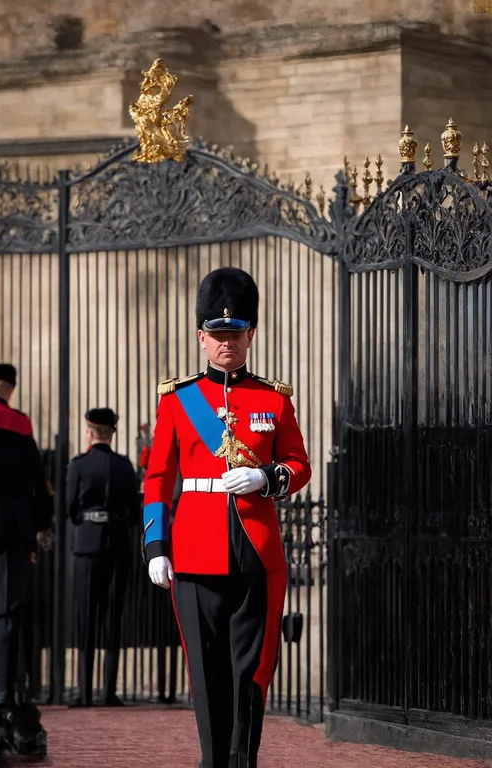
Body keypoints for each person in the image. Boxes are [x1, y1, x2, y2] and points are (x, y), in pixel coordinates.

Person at [143, 267, 311, 768]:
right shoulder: (177, 400)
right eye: (217, 335)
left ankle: (243, 762)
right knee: (206, 670)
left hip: (254, 553)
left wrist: (266, 477)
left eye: (235, 334)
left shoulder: (273, 398)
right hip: (193, 555)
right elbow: (157, 478)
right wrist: (156, 546)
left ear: (250, 335)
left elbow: (299, 465)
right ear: (201, 337)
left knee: (250, 670)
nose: (226, 343)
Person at [0, 363, 53, 757]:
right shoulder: (21, 424)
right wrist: (42, 526)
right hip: (13, 531)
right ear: (11, 389)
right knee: (7, 615)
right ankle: (3, 694)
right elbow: (37, 481)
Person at [66, 407, 140, 708]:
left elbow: (70, 509)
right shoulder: (124, 466)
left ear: (89, 431)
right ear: (112, 432)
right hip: (118, 542)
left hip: (86, 544)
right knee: (113, 615)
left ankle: (84, 692)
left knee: (87, 617)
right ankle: (109, 691)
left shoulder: (78, 465)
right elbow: (135, 514)